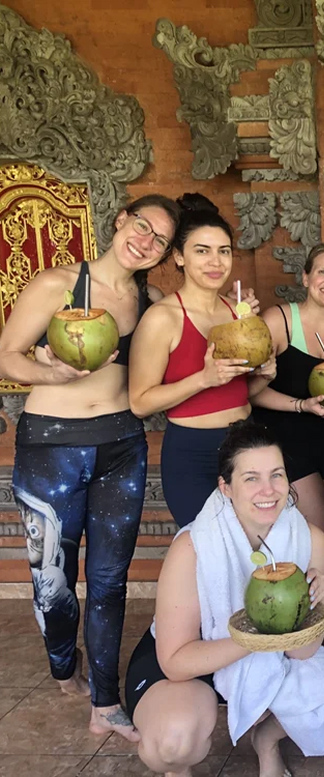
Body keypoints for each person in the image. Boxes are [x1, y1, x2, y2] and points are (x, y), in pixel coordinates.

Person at [0, 194, 181, 741]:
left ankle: (105, 700)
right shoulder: (59, 284)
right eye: (143, 226)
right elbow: (6, 353)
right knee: (51, 582)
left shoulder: (152, 302)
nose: (147, 241)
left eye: (161, 240)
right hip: (50, 446)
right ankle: (63, 665)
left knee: (107, 580)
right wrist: (49, 373)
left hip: (122, 447)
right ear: (121, 219)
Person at [126, 421, 324, 776]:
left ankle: (266, 741)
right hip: (192, 657)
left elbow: (303, 652)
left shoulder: (310, 540)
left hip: (269, 651)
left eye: (277, 475)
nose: (268, 490)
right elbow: (175, 661)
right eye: (251, 477)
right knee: (173, 743)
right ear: (226, 487)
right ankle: (178, 770)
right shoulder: (194, 546)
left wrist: (312, 611)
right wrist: (257, 637)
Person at [129, 194, 275, 528]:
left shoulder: (237, 312)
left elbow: (239, 392)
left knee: (256, 550)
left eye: (223, 251)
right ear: (179, 257)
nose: (216, 262)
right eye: (202, 251)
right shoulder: (162, 318)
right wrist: (202, 379)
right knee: (209, 554)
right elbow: (139, 402)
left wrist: (264, 376)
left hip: (247, 445)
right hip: (192, 453)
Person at [251, 242, 324, 558]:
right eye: (323, 272)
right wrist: (302, 405)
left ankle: (310, 606)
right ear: (305, 278)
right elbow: (249, 393)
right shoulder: (279, 321)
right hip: (284, 446)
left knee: (310, 543)